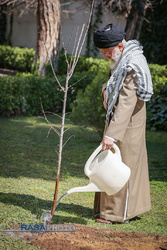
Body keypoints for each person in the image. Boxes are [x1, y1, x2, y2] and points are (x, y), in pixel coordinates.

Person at [93, 23, 153, 224]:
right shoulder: (122, 58)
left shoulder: (132, 63)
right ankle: (125, 211)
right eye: (103, 53)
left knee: (116, 167)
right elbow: (112, 86)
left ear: (120, 46)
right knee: (124, 167)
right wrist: (105, 92)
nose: (106, 57)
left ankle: (113, 215)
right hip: (121, 123)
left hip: (126, 126)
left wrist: (111, 134)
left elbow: (126, 103)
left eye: (108, 52)